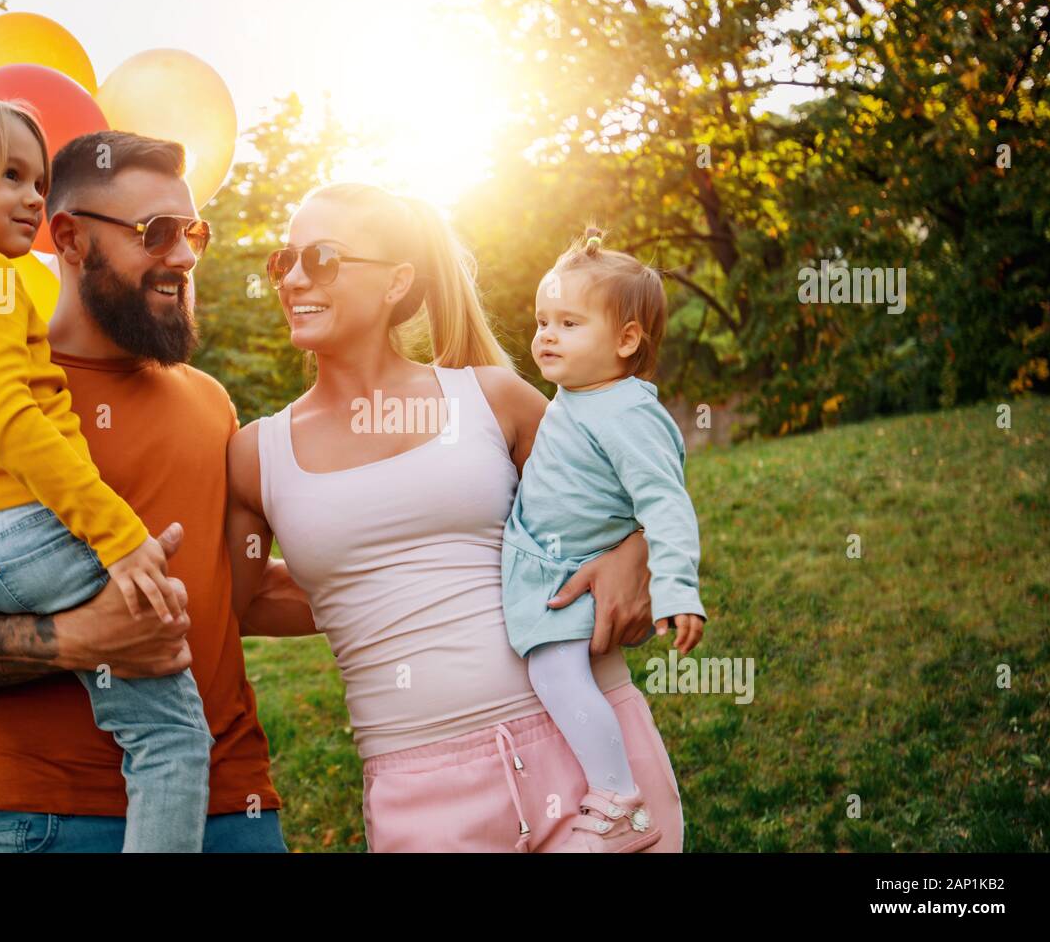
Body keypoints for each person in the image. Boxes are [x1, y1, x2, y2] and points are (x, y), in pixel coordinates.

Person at [0, 129, 289, 853]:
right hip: (42, 817)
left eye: (194, 234)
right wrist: (74, 640)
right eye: (159, 232)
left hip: (236, 804)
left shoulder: (213, 404)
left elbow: (238, 594)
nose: (183, 256)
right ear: (71, 239)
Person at [228, 182, 701, 852]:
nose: (295, 278)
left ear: (397, 281)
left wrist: (637, 553)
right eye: (285, 260)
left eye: (324, 257)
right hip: (423, 794)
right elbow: (244, 602)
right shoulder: (257, 455)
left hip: (593, 766)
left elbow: (631, 493)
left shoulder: (493, 399)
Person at [501, 226, 707, 851]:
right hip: (549, 561)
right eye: (542, 321)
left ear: (625, 340)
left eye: (568, 323)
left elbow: (666, 503)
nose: (546, 336)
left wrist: (675, 589)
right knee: (551, 672)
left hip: (572, 573)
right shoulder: (578, 395)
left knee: (555, 673)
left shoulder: (626, 413)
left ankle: (617, 796)